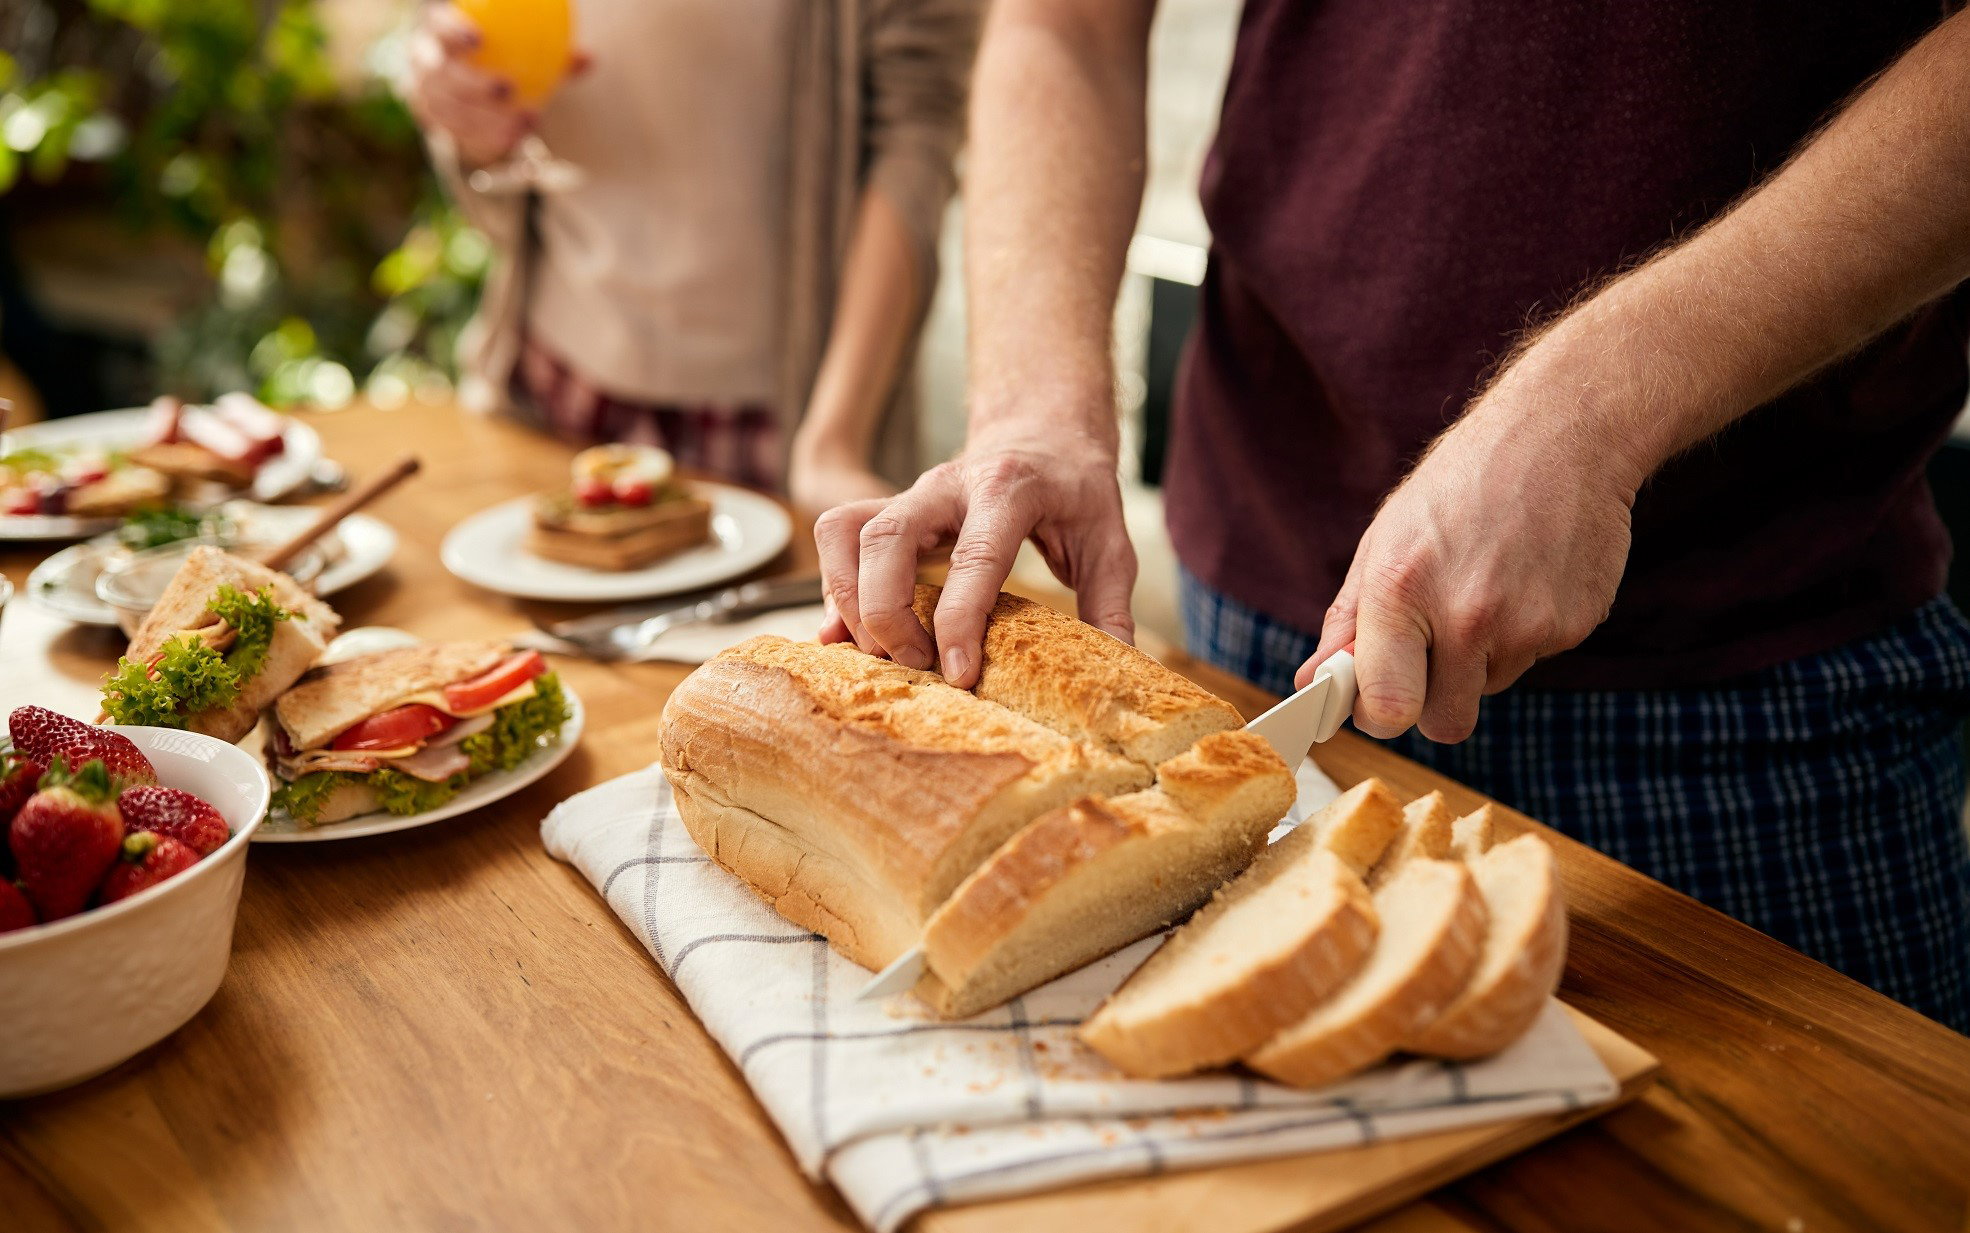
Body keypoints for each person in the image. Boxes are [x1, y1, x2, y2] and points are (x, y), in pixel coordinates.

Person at [813, 1, 1970, 1032]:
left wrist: (1592, 409)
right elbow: (1066, 23)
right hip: (1263, 638)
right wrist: (1031, 407)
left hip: (1766, 694)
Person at [403, 0, 980, 513]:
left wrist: (834, 441)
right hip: (552, 391)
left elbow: (913, 152)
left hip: (786, 425)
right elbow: (461, 71)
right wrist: (471, 114)